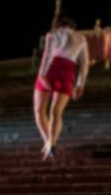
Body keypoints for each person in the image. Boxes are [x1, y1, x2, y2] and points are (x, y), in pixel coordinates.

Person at [34, 14, 90, 160]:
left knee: (39, 111)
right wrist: (80, 84)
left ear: (58, 24)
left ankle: (48, 142)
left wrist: (42, 75)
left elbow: (47, 56)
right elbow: (84, 64)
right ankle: (51, 143)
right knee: (56, 112)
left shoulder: (53, 34)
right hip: (67, 71)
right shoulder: (81, 38)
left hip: (51, 68)